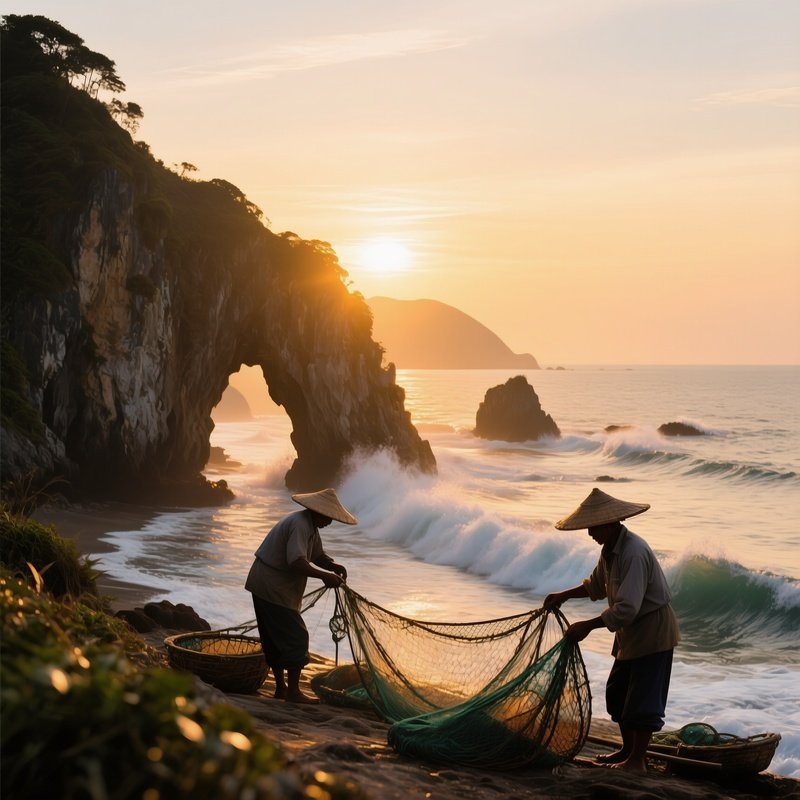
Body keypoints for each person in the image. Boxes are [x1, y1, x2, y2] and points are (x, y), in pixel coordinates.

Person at [544, 488, 680, 774]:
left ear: (610, 523)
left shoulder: (633, 552)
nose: (590, 533)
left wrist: (587, 627)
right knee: (617, 693)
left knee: (643, 700)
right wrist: (564, 594)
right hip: (629, 634)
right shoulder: (610, 550)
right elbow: (596, 586)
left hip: (652, 631)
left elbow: (627, 609)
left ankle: (637, 762)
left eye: (593, 527)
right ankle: (627, 750)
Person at [245, 488, 357, 703]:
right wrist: (325, 576)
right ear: (319, 512)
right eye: (329, 517)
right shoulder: (300, 525)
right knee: (297, 637)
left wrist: (333, 566)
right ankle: (293, 692)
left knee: (275, 638)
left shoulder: (310, 526)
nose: (330, 522)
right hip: (272, 586)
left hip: (269, 585)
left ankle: (281, 689)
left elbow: (317, 555)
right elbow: (296, 561)